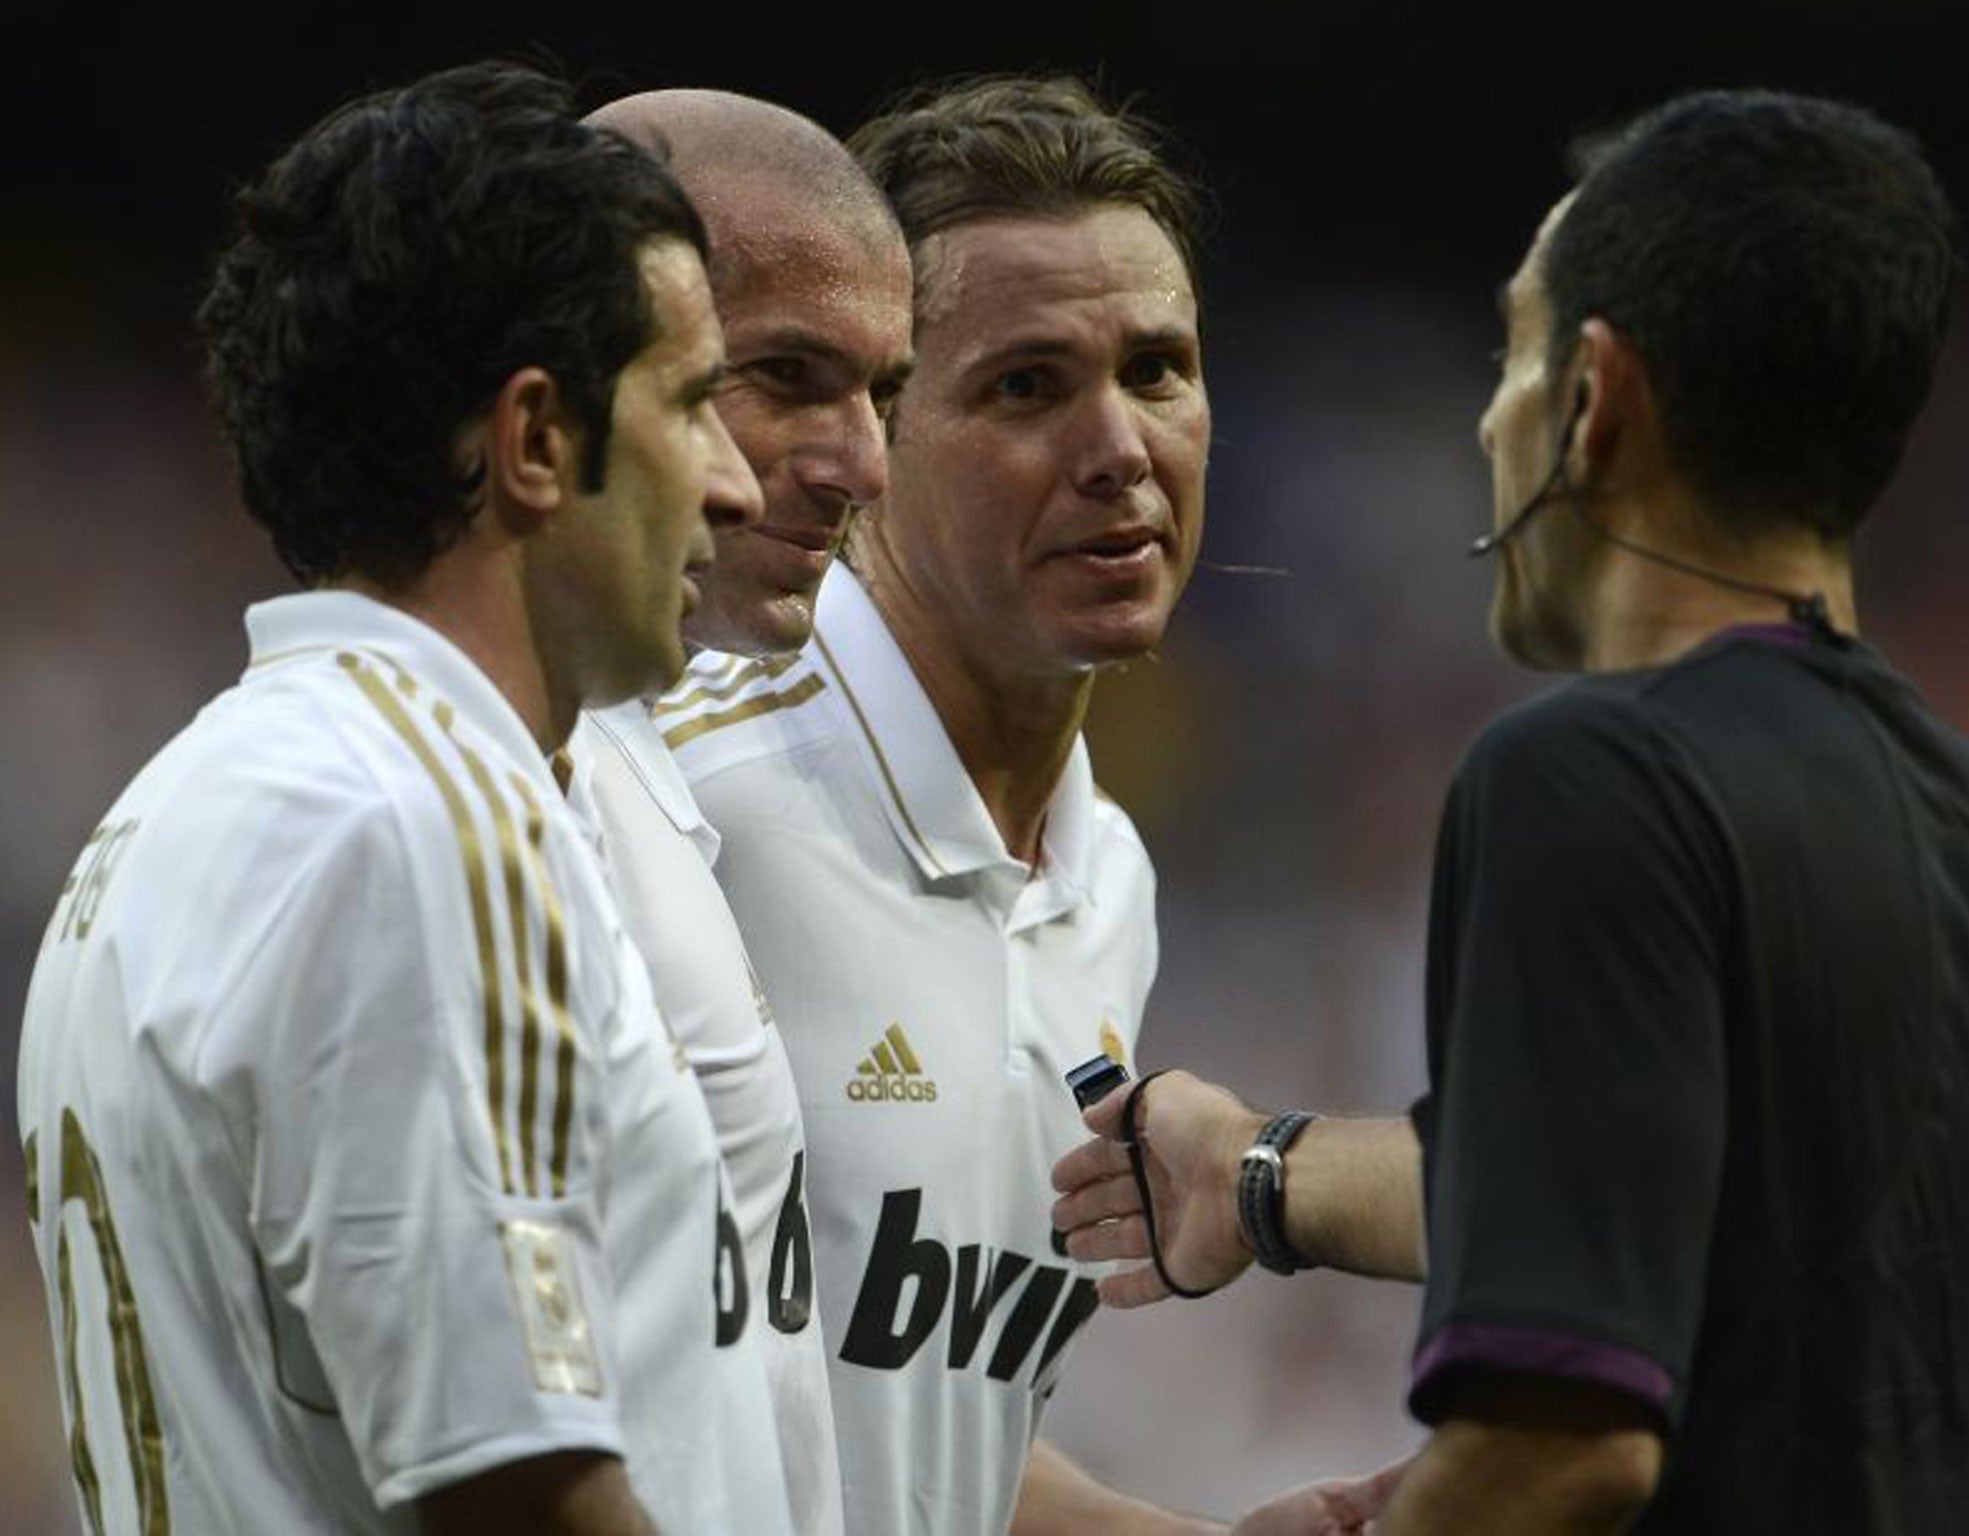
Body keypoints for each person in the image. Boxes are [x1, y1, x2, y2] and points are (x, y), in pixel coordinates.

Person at [1052, 88, 1969, 1533]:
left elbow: (1564, 1448)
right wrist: (1263, 1174)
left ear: (1597, 397)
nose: (1487, 415)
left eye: (1512, 352)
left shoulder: (1589, 777)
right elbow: (1715, 1256)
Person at [15, 61, 797, 1534]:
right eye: (693, 404)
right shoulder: (427, 824)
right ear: (535, 441)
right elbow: (518, 1483)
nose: (737, 482)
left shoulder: (172, 813)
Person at [660, 74, 1388, 1536]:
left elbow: (922, 1437)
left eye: (1160, 369)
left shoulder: (1104, 877)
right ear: (874, 437)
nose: (1120, 448)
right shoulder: (686, 808)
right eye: (1026, 387)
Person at [566, 85, 917, 1536]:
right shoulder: (461, 816)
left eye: (882, 394)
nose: (860, 467)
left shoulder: (632, 769)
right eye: (785, 376)